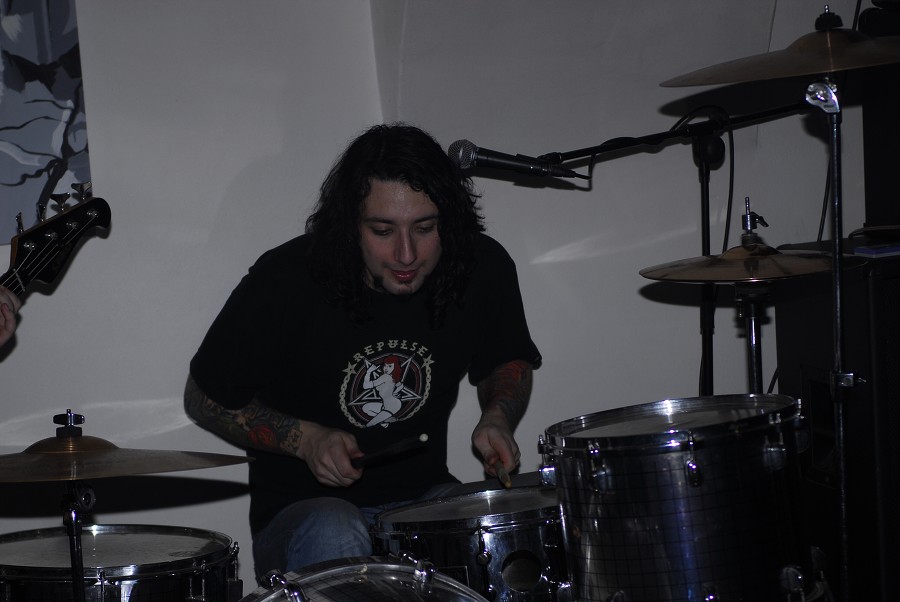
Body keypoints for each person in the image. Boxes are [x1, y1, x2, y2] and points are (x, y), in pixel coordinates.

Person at [185, 123, 541, 580]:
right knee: (336, 526)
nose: (406, 254)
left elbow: (506, 357)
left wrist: (497, 416)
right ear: (350, 224)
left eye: (425, 228)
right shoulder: (286, 280)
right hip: (302, 511)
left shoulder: (481, 266)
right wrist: (306, 440)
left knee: (490, 520)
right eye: (382, 230)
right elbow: (203, 398)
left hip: (422, 499)